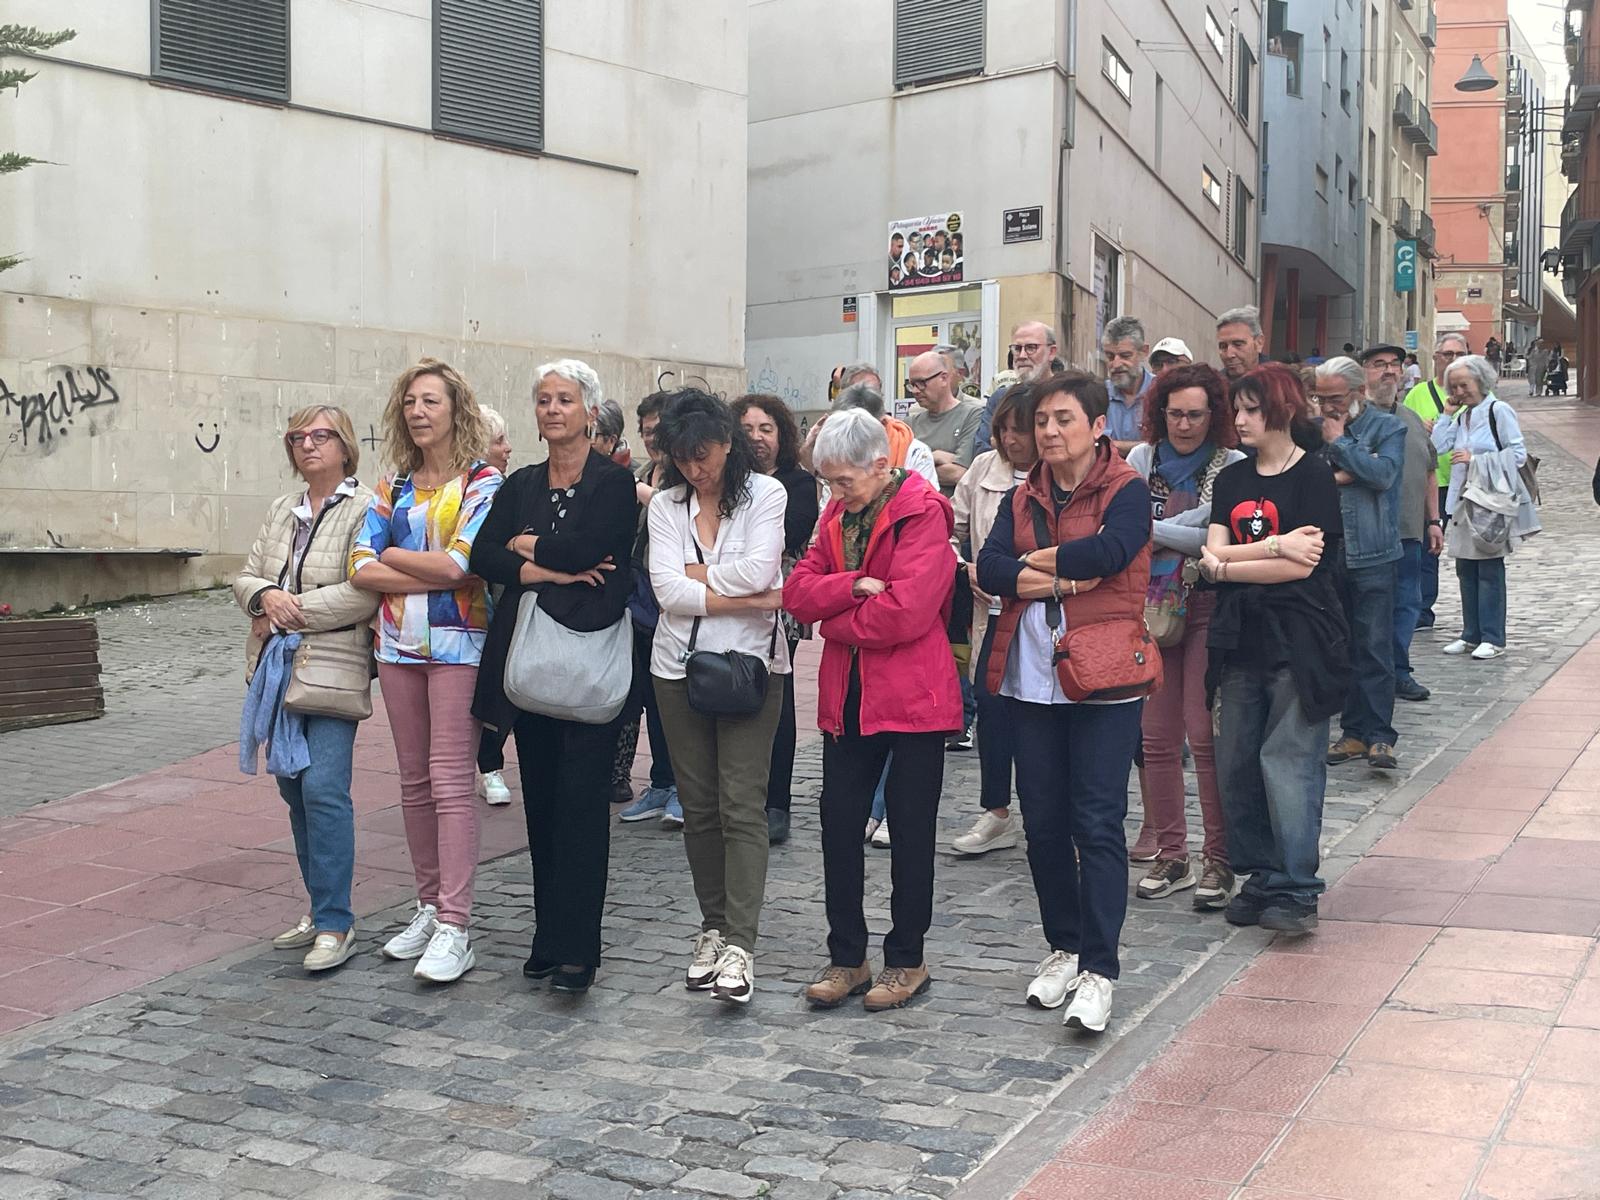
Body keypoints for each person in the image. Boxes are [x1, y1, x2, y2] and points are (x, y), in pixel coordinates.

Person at [977, 372, 1155, 1034]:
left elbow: (1112, 552)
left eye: (1063, 420)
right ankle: (1065, 946)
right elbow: (989, 567)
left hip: (1104, 677)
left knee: (1097, 822)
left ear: (1098, 425)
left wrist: (1036, 568)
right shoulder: (1022, 494)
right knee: (1044, 822)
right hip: (1030, 678)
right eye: (1041, 421)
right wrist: (1062, 574)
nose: (1049, 432)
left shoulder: (1126, 489)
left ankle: (1100, 969)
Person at [469, 359, 638, 995]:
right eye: (543, 400)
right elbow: (482, 553)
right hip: (531, 661)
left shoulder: (613, 483)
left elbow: (586, 550)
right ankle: (546, 940)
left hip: (589, 656)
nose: (552, 410)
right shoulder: (521, 483)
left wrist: (525, 545)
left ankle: (578, 950)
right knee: (540, 802)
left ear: (589, 412)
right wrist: (545, 568)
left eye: (565, 399)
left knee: (583, 807)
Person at [787, 408, 960, 1012]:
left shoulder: (923, 512)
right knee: (839, 827)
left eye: (844, 481)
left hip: (913, 698)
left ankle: (908, 959)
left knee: (910, 833)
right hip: (849, 696)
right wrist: (851, 586)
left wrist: (835, 620)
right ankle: (848, 957)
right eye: (829, 482)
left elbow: (908, 613)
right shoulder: (836, 512)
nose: (836, 493)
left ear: (880, 466)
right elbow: (798, 592)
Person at [351, 358, 502, 983]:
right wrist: (415, 567)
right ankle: (429, 905)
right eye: (410, 401)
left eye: (431, 401)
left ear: (455, 410)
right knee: (413, 781)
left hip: (460, 644)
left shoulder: (482, 481)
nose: (418, 411)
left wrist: (393, 554)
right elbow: (359, 566)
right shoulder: (393, 484)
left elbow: (461, 567)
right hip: (397, 647)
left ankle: (456, 925)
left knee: (450, 780)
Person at [648, 390, 790, 1005]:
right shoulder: (666, 504)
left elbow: (760, 570)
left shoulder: (767, 494)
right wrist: (750, 597)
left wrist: (699, 580)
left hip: (749, 666)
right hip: (675, 667)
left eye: (702, 454)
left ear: (728, 443)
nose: (694, 468)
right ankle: (712, 927)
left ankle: (740, 942)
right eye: (682, 458)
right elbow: (665, 590)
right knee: (699, 804)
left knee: (741, 802)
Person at [1201, 363, 1349, 937]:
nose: (1240, 420)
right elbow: (1211, 556)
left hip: (1300, 637)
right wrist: (1274, 547)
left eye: (1251, 409)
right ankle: (1260, 875)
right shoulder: (1232, 479)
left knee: (1288, 762)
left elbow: (1305, 566)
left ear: (1281, 410)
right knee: (1237, 761)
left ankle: (1295, 886)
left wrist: (1230, 565)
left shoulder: (1312, 474)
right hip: (1238, 639)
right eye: (1236, 409)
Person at [235, 405, 378, 973]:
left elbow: (363, 592)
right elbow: (246, 576)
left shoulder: (366, 508)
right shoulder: (282, 508)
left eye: (321, 435)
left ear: (345, 446)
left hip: (333, 670)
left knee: (323, 789)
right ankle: (320, 910)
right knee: (293, 790)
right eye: (298, 437)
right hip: (276, 671)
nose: (308, 445)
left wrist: (285, 613)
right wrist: (263, 597)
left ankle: (337, 923)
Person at [1125, 366, 1245, 907]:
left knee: (1203, 734)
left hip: (1205, 605)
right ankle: (1172, 853)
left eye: (1196, 414)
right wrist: (1182, 533)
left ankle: (1218, 857)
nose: (1185, 424)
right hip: (1148, 607)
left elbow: (1214, 538)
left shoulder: (1232, 465)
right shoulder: (1141, 459)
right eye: (1175, 413)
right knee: (1156, 737)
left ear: (1213, 415)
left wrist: (1153, 532)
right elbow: (1130, 531)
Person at [949, 385, 1038, 856]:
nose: (1011, 439)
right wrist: (966, 569)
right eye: (1003, 429)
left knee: (1043, 717)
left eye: (1020, 430)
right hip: (993, 614)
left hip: (1044, 614)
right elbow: (947, 531)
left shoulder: (1058, 472)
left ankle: (1052, 814)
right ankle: (997, 810)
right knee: (992, 708)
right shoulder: (984, 469)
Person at [732, 392, 820, 845]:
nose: (757, 438)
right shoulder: (727, 480)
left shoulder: (798, 482)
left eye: (766, 429)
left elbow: (789, 534)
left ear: (781, 435)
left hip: (779, 600)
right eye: (747, 429)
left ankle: (777, 803)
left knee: (776, 698)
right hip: (728, 596)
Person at [1313, 357, 1406, 773]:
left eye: (1334, 398)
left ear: (1357, 392)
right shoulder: (1313, 429)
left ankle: (1380, 735)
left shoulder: (1388, 428)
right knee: (1341, 647)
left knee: (1375, 647)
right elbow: (1311, 477)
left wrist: (1341, 447)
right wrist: (1348, 470)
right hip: (1327, 553)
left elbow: (1383, 475)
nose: (1326, 407)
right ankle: (1352, 733)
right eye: (1320, 398)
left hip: (1374, 553)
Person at [1432, 355, 1531, 659]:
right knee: (1465, 568)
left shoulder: (1498, 411)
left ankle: (1493, 636)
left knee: (1488, 569)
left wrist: (1475, 460)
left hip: (1490, 500)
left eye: (1464, 385)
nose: (1459, 392)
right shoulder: (1463, 415)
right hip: (1463, 500)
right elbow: (1437, 447)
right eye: (1454, 387)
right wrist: (1447, 414)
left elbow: (1518, 455)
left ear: (1480, 381)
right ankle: (1470, 633)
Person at [1360, 346, 1443, 704]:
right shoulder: (1354, 418)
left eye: (1394, 364)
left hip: (1409, 531)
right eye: (1379, 365)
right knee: (1367, 611)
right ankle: (1365, 677)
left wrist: (1434, 520)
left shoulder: (1411, 419)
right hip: (1366, 536)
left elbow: (1429, 471)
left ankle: (1398, 671)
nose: (1389, 371)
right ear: (1364, 372)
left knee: (1407, 604)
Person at [615, 392, 682, 826]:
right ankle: (660, 782)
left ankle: (683, 789)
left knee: (677, 702)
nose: (651, 438)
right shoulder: (642, 471)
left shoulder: (682, 476)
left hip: (673, 603)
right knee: (650, 698)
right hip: (638, 601)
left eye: (658, 430)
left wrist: (645, 495)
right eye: (645, 431)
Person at [1403, 332, 1469, 630]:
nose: (1453, 360)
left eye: (1459, 354)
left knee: (1471, 552)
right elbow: (1402, 429)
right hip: (1431, 481)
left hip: (1467, 484)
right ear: (1436, 358)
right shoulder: (1418, 394)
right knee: (1428, 546)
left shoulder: (1479, 393)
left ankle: (1475, 622)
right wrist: (1420, 428)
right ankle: (1422, 609)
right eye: (1447, 354)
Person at [474, 404, 514, 808]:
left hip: (499, 606)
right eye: (499, 440)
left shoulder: (505, 490)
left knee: (498, 690)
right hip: (465, 608)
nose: (508, 448)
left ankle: (490, 765)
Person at [974, 321, 1059, 456]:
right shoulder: (1001, 398)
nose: (1022, 356)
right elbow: (981, 448)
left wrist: (999, 443)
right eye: (1017, 349)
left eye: (1031, 348)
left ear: (1051, 352)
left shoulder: (1066, 396)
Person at [905, 350, 984, 494]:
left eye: (921, 383)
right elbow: (897, 474)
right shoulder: (909, 424)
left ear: (943, 378)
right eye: (912, 384)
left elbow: (959, 473)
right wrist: (933, 458)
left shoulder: (972, 415)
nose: (915, 391)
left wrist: (918, 462)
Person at [1103, 316, 1157, 457]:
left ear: (1144, 352)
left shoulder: (1162, 393)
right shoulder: (1098, 395)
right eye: (1110, 356)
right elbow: (1094, 446)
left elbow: (1164, 446)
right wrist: (1146, 446)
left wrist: (1112, 446)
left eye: (1125, 356)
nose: (1116, 364)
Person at [1216, 306, 1266, 381]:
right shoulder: (1212, 385)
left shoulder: (1280, 383)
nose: (1229, 355)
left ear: (1259, 343)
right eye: (1223, 346)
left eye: (1238, 344)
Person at [591, 398, 631, 465]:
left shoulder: (635, 471)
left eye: (593, 434)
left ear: (612, 441)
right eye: (586, 432)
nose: (586, 441)